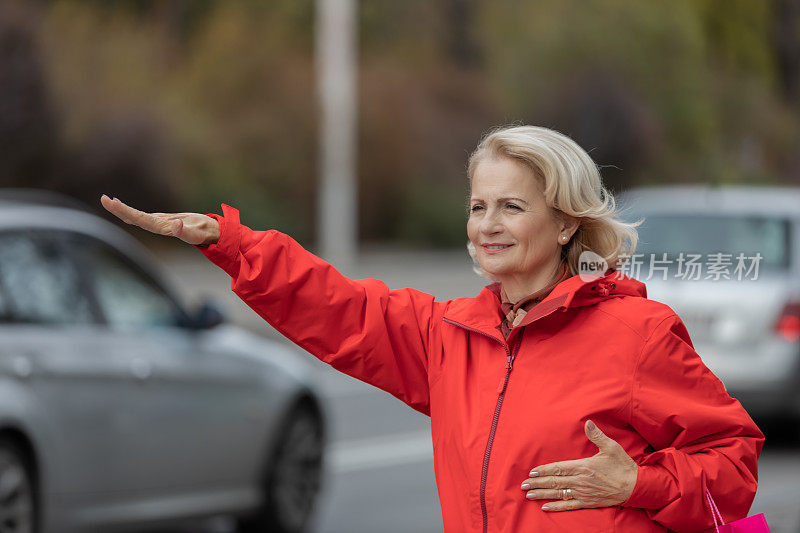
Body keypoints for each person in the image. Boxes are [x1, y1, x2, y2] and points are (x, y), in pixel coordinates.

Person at [100, 125, 764, 532]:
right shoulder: (451, 333)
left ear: (565, 222)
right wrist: (232, 242)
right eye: (479, 205)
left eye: (512, 205)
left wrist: (638, 484)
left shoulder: (637, 332)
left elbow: (734, 469)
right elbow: (341, 308)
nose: (488, 223)